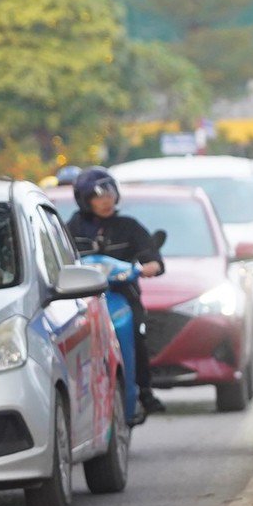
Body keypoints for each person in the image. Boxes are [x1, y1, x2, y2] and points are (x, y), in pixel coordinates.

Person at [65, 167, 166, 415]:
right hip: (82, 300)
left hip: (123, 297)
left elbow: (153, 259)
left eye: (109, 194)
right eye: (98, 196)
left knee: (136, 333)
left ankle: (143, 390)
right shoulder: (70, 229)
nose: (105, 201)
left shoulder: (129, 227)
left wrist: (148, 267)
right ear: (85, 200)